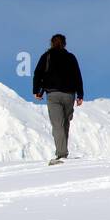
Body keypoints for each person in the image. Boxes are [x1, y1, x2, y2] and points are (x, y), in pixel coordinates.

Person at [32, 34, 84, 165]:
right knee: (65, 123)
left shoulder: (46, 57)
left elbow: (37, 73)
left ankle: (61, 153)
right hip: (69, 95)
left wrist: (36, 91)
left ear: (51, 43)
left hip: (53, 94)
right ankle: (63, 151)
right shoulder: (71, 57)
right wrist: (80, 95)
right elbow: (78, 76)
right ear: (65, 44)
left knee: (57, 125)